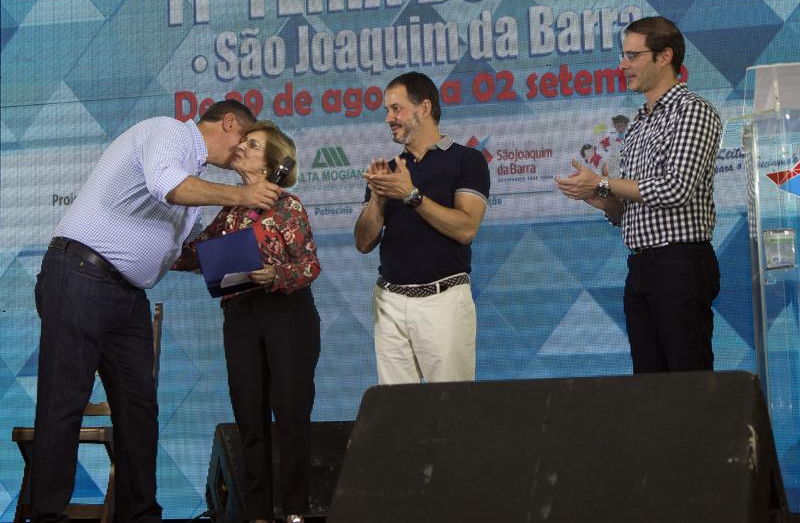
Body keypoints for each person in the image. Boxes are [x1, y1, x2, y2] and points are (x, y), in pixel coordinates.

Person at [33, 100, 281, 523]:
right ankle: (46, 515)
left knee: (139, 410)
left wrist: (254, 265)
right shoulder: (169, 133)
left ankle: (140, 515)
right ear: (229, 123)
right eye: (244, 142)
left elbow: (185, 253)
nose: (241, 153)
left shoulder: (196, 185)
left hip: (127, 295)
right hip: (79, 274)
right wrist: (242, 193)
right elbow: (169, 186)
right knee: (64, 401)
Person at [172, 121, 320, 523]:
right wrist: (155, 243)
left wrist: (278, 275)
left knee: (290, 414)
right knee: (248, 417)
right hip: (239, 317)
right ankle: (257, 514)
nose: (241, 147)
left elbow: (309, 265)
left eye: (252, 144)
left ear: (273, 162)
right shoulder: (229, 211)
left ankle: (295, 512)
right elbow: (192, 256)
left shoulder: (288, 207)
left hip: (286, 313)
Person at [556, 16, 722, 374]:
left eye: (632, 55)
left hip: (680, 265)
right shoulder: (639, 123)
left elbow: (674, 189)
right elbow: (627, 211)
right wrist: (595, 194)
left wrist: (604, 182)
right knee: (649, 390)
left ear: (664, 56)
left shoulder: (692, 110)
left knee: (688, 386)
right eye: (623, 55)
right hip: (641, 267)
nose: (622, 64)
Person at [353, 71, 491, 384]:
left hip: (444, 301)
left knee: (451, 409)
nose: (389, 118)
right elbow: (363, 243)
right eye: (387, 111)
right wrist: (376, 199)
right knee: (398, 413)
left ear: (424, 108)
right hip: (389, 303)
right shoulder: (389, 170)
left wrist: (411, 196)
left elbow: (466, 228)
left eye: (396, 108)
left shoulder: (466, 160)